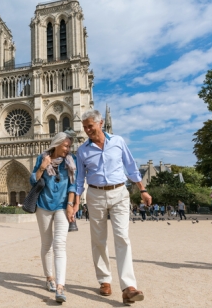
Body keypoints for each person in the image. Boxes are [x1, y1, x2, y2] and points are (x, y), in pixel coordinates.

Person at [75, 109, 152, 305]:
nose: (87, 130)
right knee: (99, 240)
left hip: (119, 192)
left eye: (89, 126)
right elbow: (78, 179)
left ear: (100, 123)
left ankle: (128, 287)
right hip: (95, 193)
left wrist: (142, 190)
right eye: (84, 128)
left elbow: (131, 166)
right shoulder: (82, 150)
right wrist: (75, 201)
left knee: (122, 237)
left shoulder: (118, 142)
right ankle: (104, 280)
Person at [30, 131, 77, 303]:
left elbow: (73, 185)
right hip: (43, 206)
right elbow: (33, 180)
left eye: (69, 146)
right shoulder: (42, 157)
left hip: (62, 207)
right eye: (66, 146)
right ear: (56, 144)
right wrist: (43, 166)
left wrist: (71, 205)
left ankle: (60, 286)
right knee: (46, 243)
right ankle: (49, 277)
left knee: (60, 244)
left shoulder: (71, 162)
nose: (68, 149)